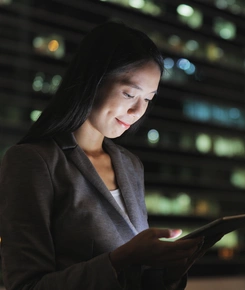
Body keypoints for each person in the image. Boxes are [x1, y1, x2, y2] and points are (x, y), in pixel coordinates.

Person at [0, 21, 219, 290]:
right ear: (94, 81)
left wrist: (168, 270)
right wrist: (122, 258)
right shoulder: (34, 161)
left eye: (148, 99)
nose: (138, 110)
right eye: (129, 94)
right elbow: (25, 285)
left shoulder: (129, 165)